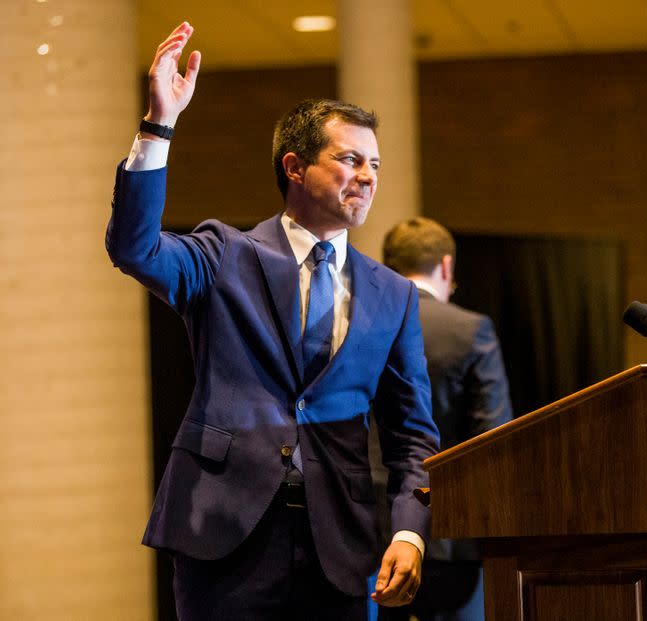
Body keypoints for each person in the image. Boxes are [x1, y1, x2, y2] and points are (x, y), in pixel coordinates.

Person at [105, 22, 440, 620]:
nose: (366, 176)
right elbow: (135, 248)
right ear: (295, 166)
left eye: (376, 164)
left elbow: (412, 435)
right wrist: (160, 125)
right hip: (222, 535)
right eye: (349, 159)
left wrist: (410, 531)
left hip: (341, 544)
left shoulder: (393, 295)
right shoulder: (223, 254)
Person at [378, 217, 513, 621]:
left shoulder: (360, 327)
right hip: (451, 540)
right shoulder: (471, 330)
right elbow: (494, 438)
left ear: (387, 268)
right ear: (447, 267)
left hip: (369, 535)